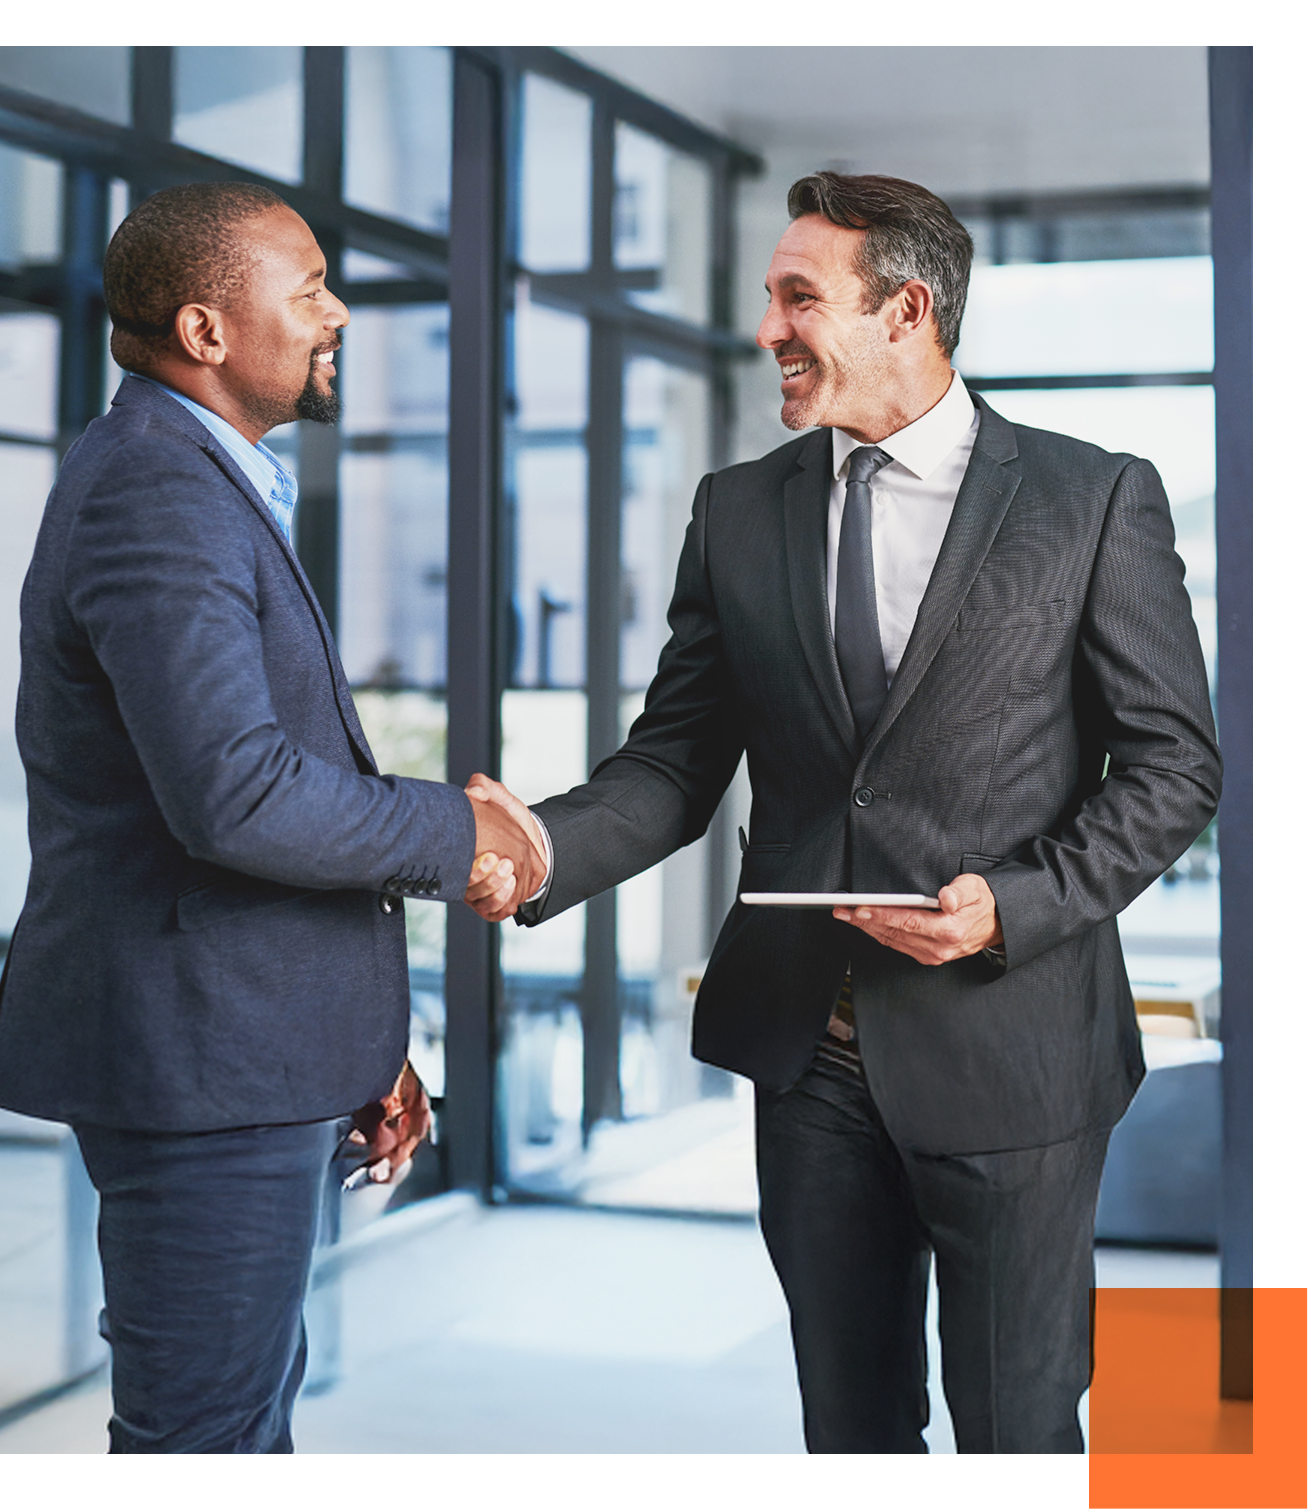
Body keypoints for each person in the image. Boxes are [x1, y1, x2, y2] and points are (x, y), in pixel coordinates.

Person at [468, 171, 1221, 1467]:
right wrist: (539, 845)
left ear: (904, 311)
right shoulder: (737, 510)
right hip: (808, 1054)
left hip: (1017, 1054)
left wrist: (1012, 905)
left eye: (797, 298)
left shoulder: (1092, 498)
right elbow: (674, 763)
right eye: (770, 296)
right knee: (850, 1439)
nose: (766, 327)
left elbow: (1172, 766)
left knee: (1018, 1436)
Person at [0, 181, 540, 1466]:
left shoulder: (201, 477)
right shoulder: (155, 489)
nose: (336, 314)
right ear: (205, 330)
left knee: (239, 1436)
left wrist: (359, 1050)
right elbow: (236, 794)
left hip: (243, 1054)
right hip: (198, 1067)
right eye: (308, 290)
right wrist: (460, 837)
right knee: (200, 1451)